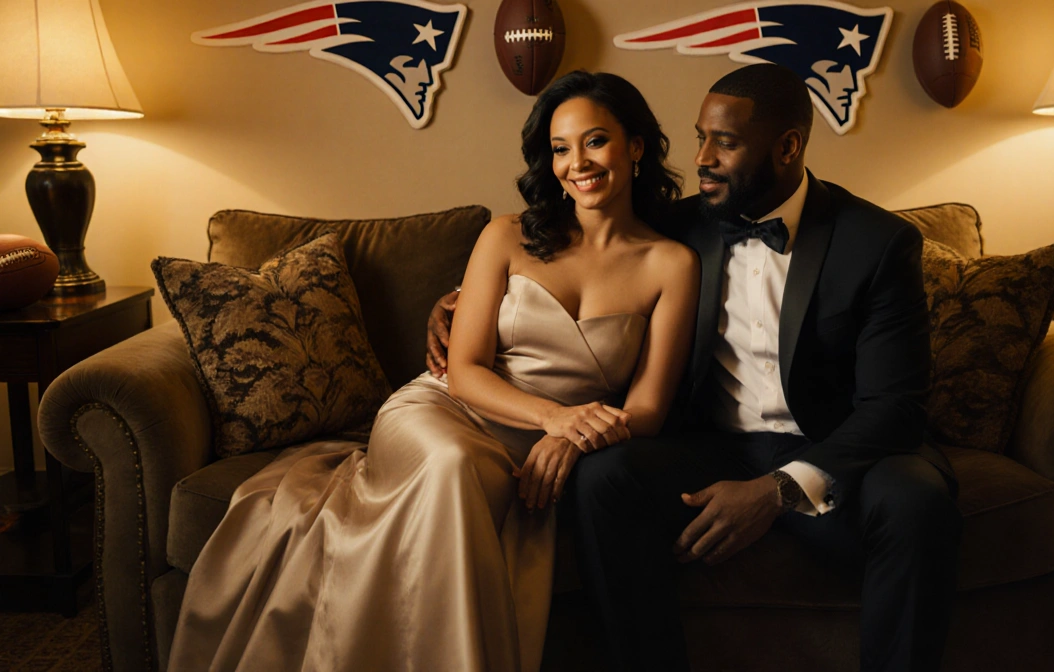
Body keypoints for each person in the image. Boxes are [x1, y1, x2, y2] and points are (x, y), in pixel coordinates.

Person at [427, 64, 961, 672]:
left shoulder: (877, 242)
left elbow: (895, 408)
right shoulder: (678, 227)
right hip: (714, 447)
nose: (702, 157)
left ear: (788, 147)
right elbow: (579, 253)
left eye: (725, 142)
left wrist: (778, 490)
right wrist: (453, 304)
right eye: (700, 136)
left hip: (835, 447)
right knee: (606, 478)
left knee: (917, 502)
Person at [168, 70, 698, 672]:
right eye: (559, 148)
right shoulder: (506, 235)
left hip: (539, 443)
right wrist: (558, 417)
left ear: (635, 146)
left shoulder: (672, 264)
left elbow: (649, 409)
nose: (577, 162)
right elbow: (466, 370)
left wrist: (569, 441)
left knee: (471, 473)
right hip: (444, 410)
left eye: (595, 141)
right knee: (451, 463)